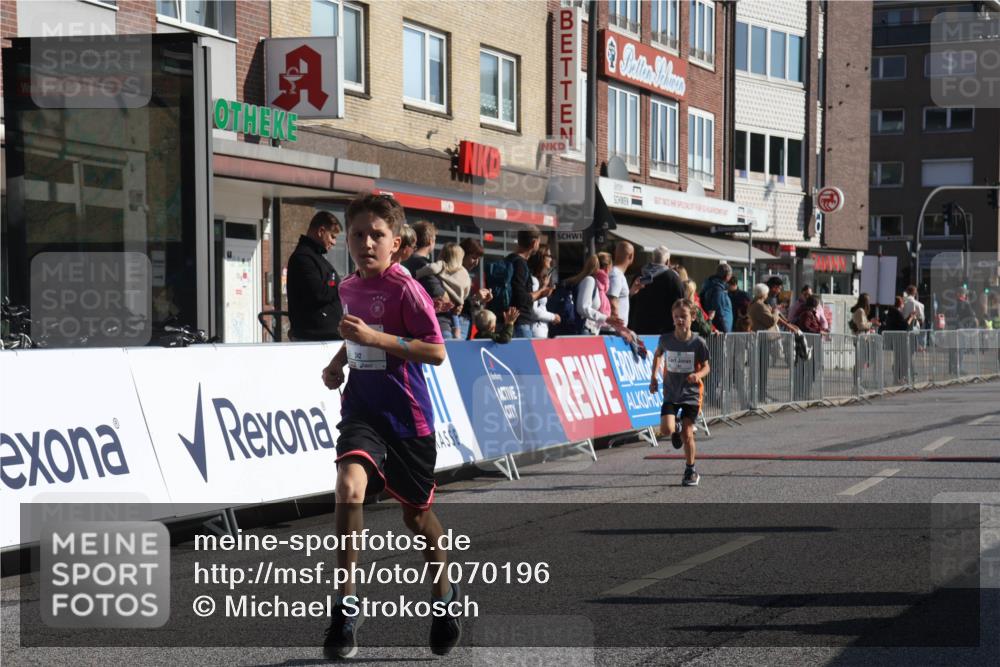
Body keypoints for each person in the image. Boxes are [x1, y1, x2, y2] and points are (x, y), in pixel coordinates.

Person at [320, 193, 461, 660]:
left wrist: (376, 339)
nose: (365, 243)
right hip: (361, 410)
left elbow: (436, 351)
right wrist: (338, 362)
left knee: (416, 517)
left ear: (396, 243)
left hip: (407, 418)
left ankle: (443, 600)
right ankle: (345, 608)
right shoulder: (347, 287)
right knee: (348, 487)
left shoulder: (408, 289)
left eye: (376, 235)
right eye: (357, 235)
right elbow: (354, 333)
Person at [649, 298, 711, 487]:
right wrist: (653, 377)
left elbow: (707, 367)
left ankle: (691, 469)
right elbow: (658, 355)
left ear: (692, 317)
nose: (680, 320)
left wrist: (698, 375)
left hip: (691, 394)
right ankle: (675, 429)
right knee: (666, 429)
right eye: (676, 317)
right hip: (671, 392)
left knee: (687, 434)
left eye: (683, 316)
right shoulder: (666, 339)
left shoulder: (698, 342)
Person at [286, 211, 343, 341]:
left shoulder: (314, 257)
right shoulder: (303, 258)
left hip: (323, 336)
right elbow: (319, 293)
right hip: (314, 338)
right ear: (321, 231)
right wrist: (338, 284)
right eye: (332, 236)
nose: (334, 242)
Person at [403, 220, 454, 336]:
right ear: (431, 240)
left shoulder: (405, 263)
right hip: (436, 324)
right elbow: (441, 295)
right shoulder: (424, 265)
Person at [416, 243, 471, 340]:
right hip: (456, 310)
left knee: (446, 339)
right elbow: (467, 290)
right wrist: (460, 300)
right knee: (458, 338)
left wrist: (417, 274)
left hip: (443, 312)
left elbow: (431, 268)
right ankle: (457, 334)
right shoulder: (464, 273)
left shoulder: (442, 265)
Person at [630, 245, 686, 335]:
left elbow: (631, 301)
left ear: (652, 260)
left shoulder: (639, 275)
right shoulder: (673, 278)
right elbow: (681, 304)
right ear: (668, 261)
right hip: (664, 331)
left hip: (639, 329)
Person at [563, 255, 623, 335]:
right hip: (583, 330)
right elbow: (583, 308)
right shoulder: (590, 281)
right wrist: (606, 318)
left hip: (589, 330)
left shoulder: (595, 283)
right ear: (607, 268)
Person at [505, 228, 546, 338]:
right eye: (538, 241)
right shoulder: (520, 264)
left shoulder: (508, 259)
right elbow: (522, 298)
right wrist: (542, 292)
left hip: (506, 321)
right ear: (534, 243)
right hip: (519, 324)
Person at [457, 238, 491, 339]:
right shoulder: (456, 274)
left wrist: (479, 300)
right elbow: (458, 303)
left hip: (464, 320)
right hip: (459, 321)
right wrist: (476, 298)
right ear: (462, 255)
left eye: (478, 259)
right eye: (474, 258)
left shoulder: (464, 274)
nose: (476, 263)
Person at [527, 249, 560, 338]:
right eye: (548, 256)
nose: (551, 259)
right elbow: (534, 311)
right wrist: (553, 317)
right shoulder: (534, 281)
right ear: (541, 258)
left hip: (540, 329)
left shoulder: (538, 280)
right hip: (536, 330)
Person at [700, 263, 734, 333]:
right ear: (727, 276)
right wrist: (725, 330)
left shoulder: (711, 286)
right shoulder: (718, 290)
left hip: (716, 328)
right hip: (720, 331)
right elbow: (718, 311)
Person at [607, 241, 635, 327]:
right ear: (631, 256)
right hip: (614, 331)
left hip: (614, 329)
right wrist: (620, 328)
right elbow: (612, 300)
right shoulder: (616, 274)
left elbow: (617, 298)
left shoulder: (616, 273)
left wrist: (632, 291)